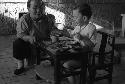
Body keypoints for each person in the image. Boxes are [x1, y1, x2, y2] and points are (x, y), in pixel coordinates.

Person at [13, 0, 56, 75]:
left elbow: (53, 30)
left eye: (41, 7)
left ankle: (53, 61)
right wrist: (28, 37)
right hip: (30, 44)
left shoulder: (47, 19)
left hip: (45, 44)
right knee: (18, 43)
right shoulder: (24, 19)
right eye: (35, 7)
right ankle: (20, 66)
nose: (39, 10)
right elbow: (21, 34)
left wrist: (54, 35)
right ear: (28, 8)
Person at [62, 3, 97, 84]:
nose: (74, 19)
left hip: (84, 58)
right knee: (59, 59)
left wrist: (83, 38)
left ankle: (73, 81)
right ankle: (69, 77)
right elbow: (71, 36)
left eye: (75, 17)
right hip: (74, 54)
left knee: (66, 65)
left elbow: (92, 44)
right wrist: (65, 33)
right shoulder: (78, 27)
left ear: (84, 18)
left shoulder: (91, 28)